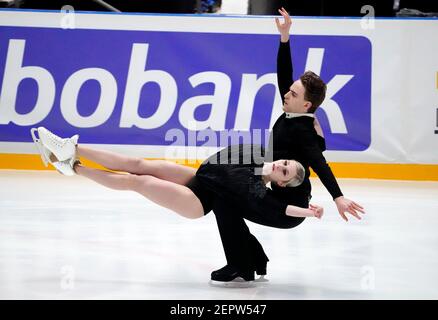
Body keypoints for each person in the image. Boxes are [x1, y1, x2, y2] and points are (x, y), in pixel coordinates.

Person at [208, 7, 365, 284]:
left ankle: (243, 265)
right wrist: (285, 38)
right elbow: (284, 74)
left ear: (306, 104)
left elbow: (320, 163)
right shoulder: (294, 110)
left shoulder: (303, 131)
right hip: (275, 195)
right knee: (225, 200)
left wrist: (338, 197)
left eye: (292, 93)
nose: (285, 93)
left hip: (287, 209)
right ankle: (251, 260)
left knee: (224, 201)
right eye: (289, 90)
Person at [31, 127, 324, 263]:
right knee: (140, 164)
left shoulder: (258, 191)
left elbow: (282, 211)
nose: (281, 166)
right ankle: (71, 148)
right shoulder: (256, 155)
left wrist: (309, 211)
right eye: (285, 163)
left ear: (282, 184)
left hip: (197, 203)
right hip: (199, 180)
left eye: (284, 172)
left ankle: (75, 169)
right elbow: (214, 163)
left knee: (138, 181)